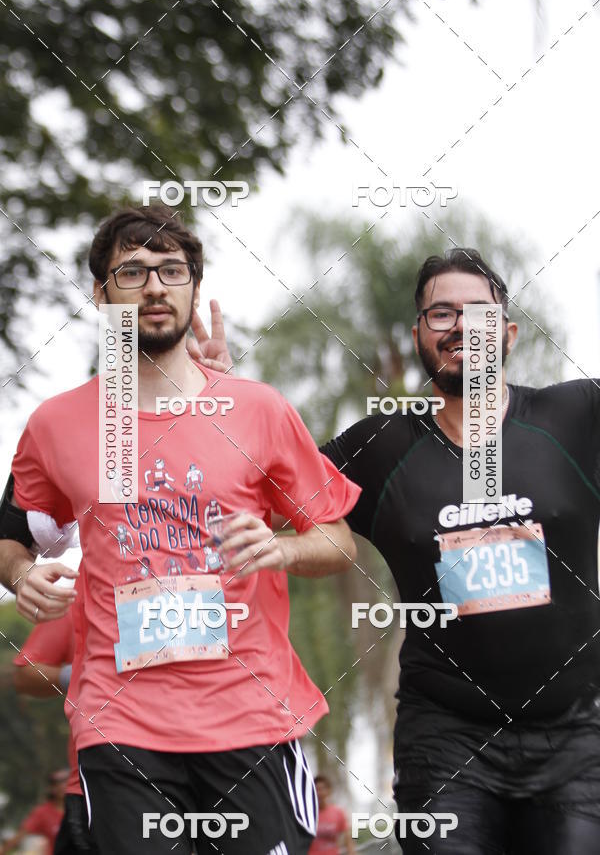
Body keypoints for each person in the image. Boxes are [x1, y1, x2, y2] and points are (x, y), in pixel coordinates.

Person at [202, 247, 600, 853]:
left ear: (509, 334)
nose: (461, 327)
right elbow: (260, 485)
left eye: (479, 313)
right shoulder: (382, 446)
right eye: (441, 314)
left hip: (578, 736)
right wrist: (221, 406)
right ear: (418, 334)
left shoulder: (575, 417)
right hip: (446, 742)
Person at [0, 204, 361, 855]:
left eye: (172, 271)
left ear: (196, 288)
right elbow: (13, 537)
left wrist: (280, 548)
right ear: (100, 295)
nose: (157, 286)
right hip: (121, 719)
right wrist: (22, 576)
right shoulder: (58, 423)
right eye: (132, 273)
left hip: (252, 714)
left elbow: (337, 542)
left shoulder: (258, 409)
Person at [12, 608, 96, 853]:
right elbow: (24, 674)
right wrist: (77, 673)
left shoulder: (205, 592)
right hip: (93, 789)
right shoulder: (76, 605)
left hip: (194, 773)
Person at [0, 769, 69, 855]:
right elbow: (19, 837)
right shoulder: (43, 812)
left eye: (66, 781)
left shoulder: (82, 809)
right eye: (57, 783)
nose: (62, 786)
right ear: (51, 788)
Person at [309, 775, 356, 855]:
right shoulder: (306, 814)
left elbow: (348, 840)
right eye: (316, 789)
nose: (319, 793)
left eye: (322, 789)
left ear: (328, 791)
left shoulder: (338, 813)